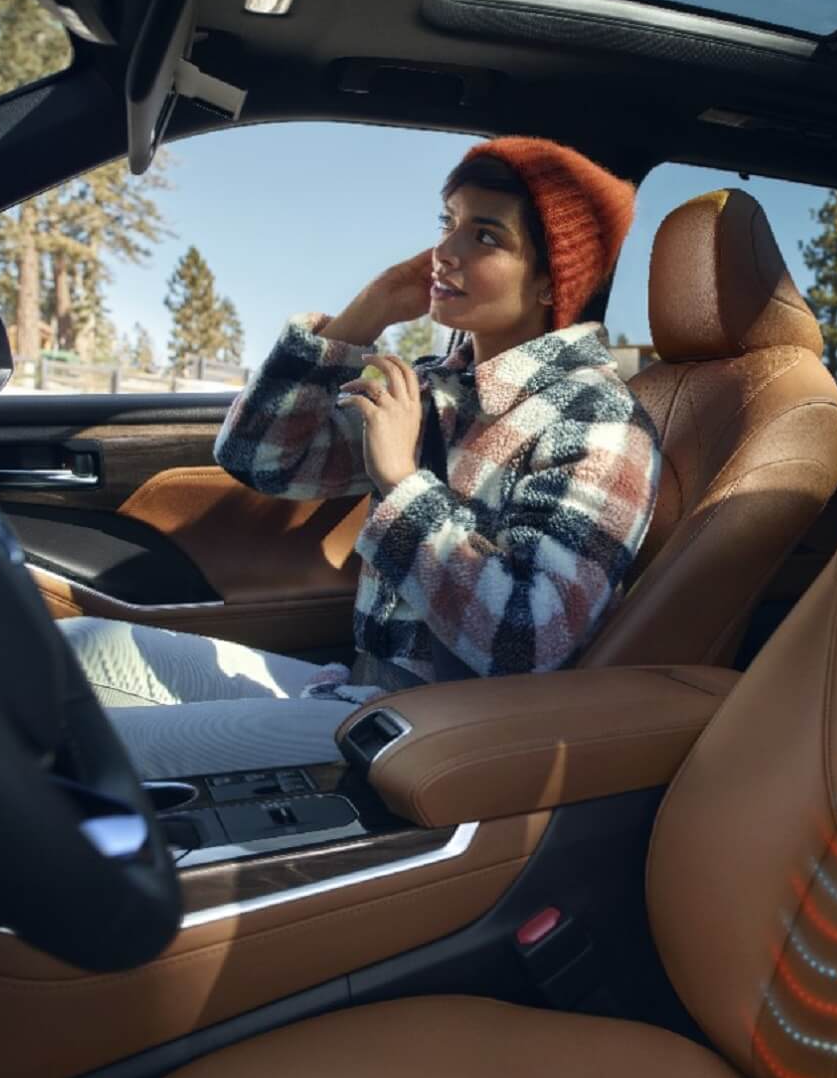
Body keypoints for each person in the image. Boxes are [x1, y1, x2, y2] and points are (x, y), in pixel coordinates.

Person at [60, 137, 661, 779]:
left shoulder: (599, 420)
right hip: (362, 693)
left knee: (75, 747)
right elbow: (258, 458)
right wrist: (367, 312)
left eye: (486, 236)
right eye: (448, 222)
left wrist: (401, 482)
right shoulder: (437, 391)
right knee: (72, 647)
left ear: (549, 282)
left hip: (441, 737)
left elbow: (529, 641)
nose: (445, 251)